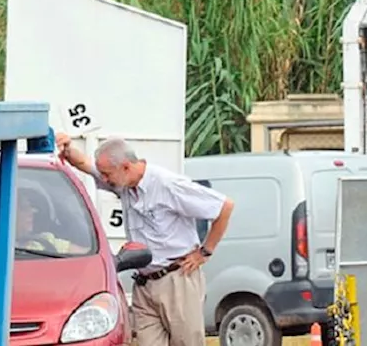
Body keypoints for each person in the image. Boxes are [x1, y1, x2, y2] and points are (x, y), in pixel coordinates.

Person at [56, 133, 234, 346]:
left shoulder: (167, 185)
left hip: (176, 280)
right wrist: (67, 149)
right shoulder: (122, 183)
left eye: (107, 174)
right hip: (144, 282)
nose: (103, 180)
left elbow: (224, 207)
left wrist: (205, 252)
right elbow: (85, 164)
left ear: (126, 167)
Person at [16, 187, 86, 255]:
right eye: (24, 208)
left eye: (31, 207)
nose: (32, 212)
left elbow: (85, 254)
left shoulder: (46, 240)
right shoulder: (8, 249)